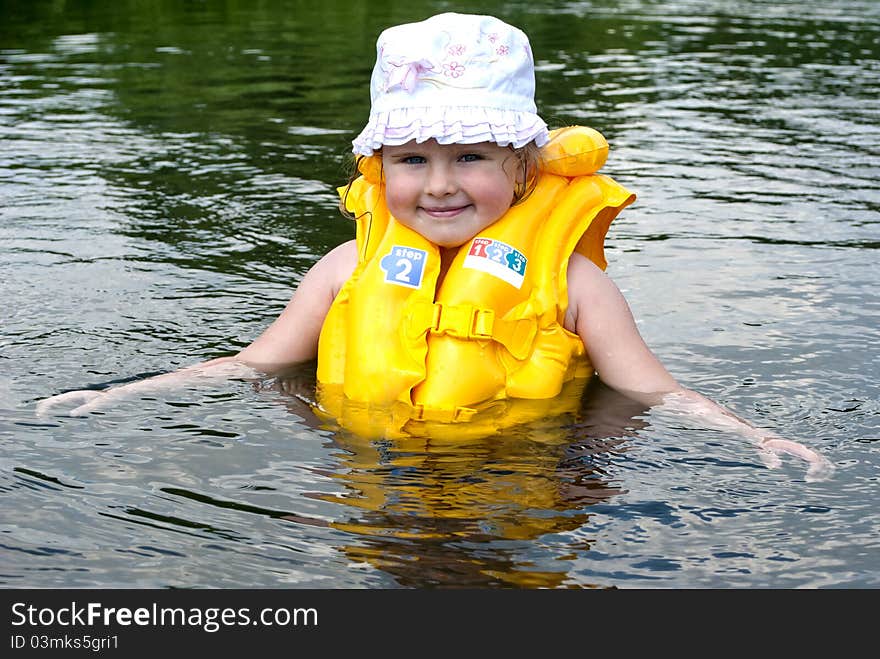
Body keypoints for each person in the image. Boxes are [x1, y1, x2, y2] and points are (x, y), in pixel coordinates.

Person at [37, 12, 833, 481]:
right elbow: (255, 364)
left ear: (522, 169)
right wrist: (124, 395)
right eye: (413, 159)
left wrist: (756, 435)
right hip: (373, 477)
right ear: (379, 167)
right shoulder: (347, 266)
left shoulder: (574, 281)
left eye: (471, 158)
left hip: (527, 477)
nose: (440, 185)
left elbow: (654, 392)